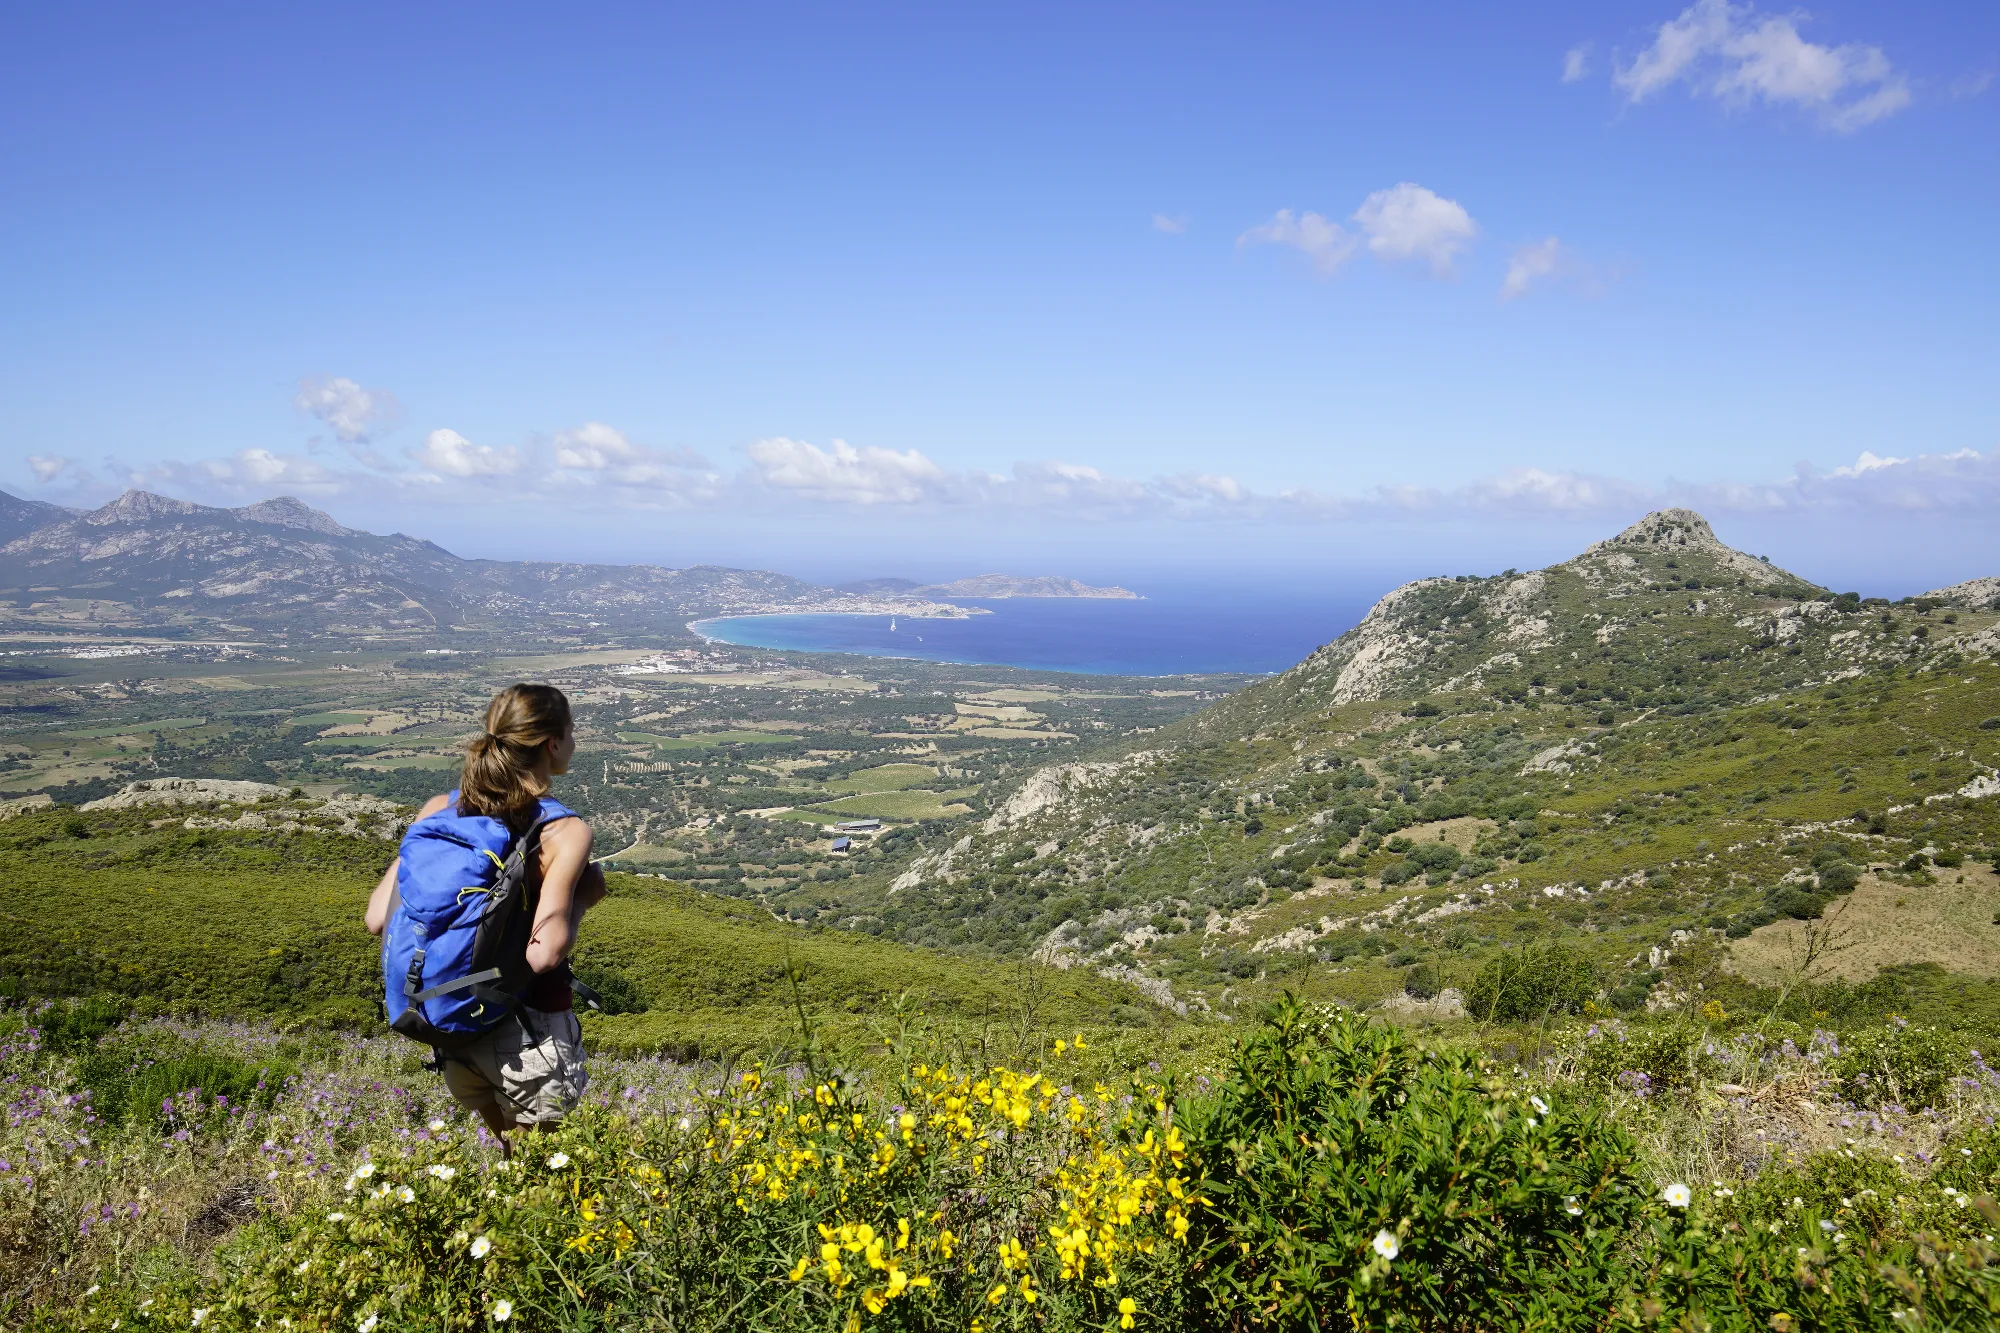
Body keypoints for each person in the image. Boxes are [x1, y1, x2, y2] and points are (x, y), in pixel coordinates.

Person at [365, 682, 605, 1149]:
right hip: (526, 1035)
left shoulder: (438, 810)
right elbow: (544, 952)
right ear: (553, 743)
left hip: (451, 1025)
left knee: (513, 1163)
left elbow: (378, 916)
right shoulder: (562, 830)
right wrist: (584, 898)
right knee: (548, 1173)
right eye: (571, 733)